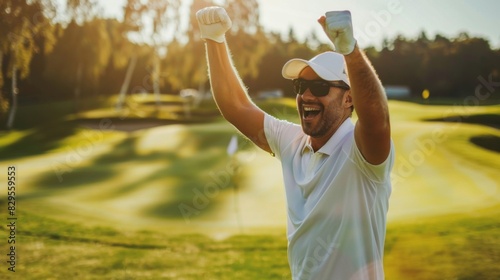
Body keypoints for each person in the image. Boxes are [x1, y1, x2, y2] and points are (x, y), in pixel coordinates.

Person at [196, 6, 394, 280]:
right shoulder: (292, 141)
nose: (307, 95)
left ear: (349, 99)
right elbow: (236, 106)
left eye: (321, 88)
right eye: (301, 86)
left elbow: (377, 121)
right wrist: (214, 39)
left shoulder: (361, 151)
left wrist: (350, 50)